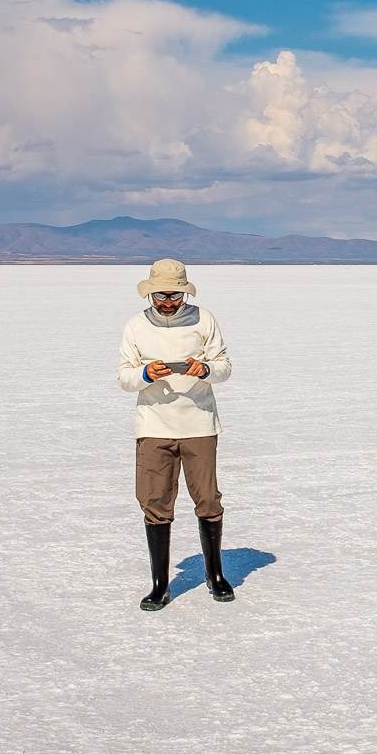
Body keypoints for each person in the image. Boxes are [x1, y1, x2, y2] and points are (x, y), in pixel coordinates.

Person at [116, 258, 237, 611]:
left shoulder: (203, 319)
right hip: (153, 426)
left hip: (199, 424)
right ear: (150, 294)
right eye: (160, 295)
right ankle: (160, 584)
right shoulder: (136, 326)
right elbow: (124, 377)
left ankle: (215, 575)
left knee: (208, 500)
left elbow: (225, 367)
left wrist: (207, 369)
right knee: (154, 503)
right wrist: (146, 375)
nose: (167, 301)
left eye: (174, 295)